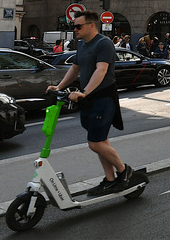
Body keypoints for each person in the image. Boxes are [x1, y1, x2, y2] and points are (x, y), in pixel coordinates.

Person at [46, 11, 132, 196]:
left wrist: (84, 92)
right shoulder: (82, 45)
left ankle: (124, 171)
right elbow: (76, 68)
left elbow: (101, 70)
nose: (74, 29)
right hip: (89, 98)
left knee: (95, 143)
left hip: (103, 97)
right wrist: (59, 86)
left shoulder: (104, 44)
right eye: (74, 26)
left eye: (78, 26)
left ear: (92, 25)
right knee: (101, 141)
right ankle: (109, 180)